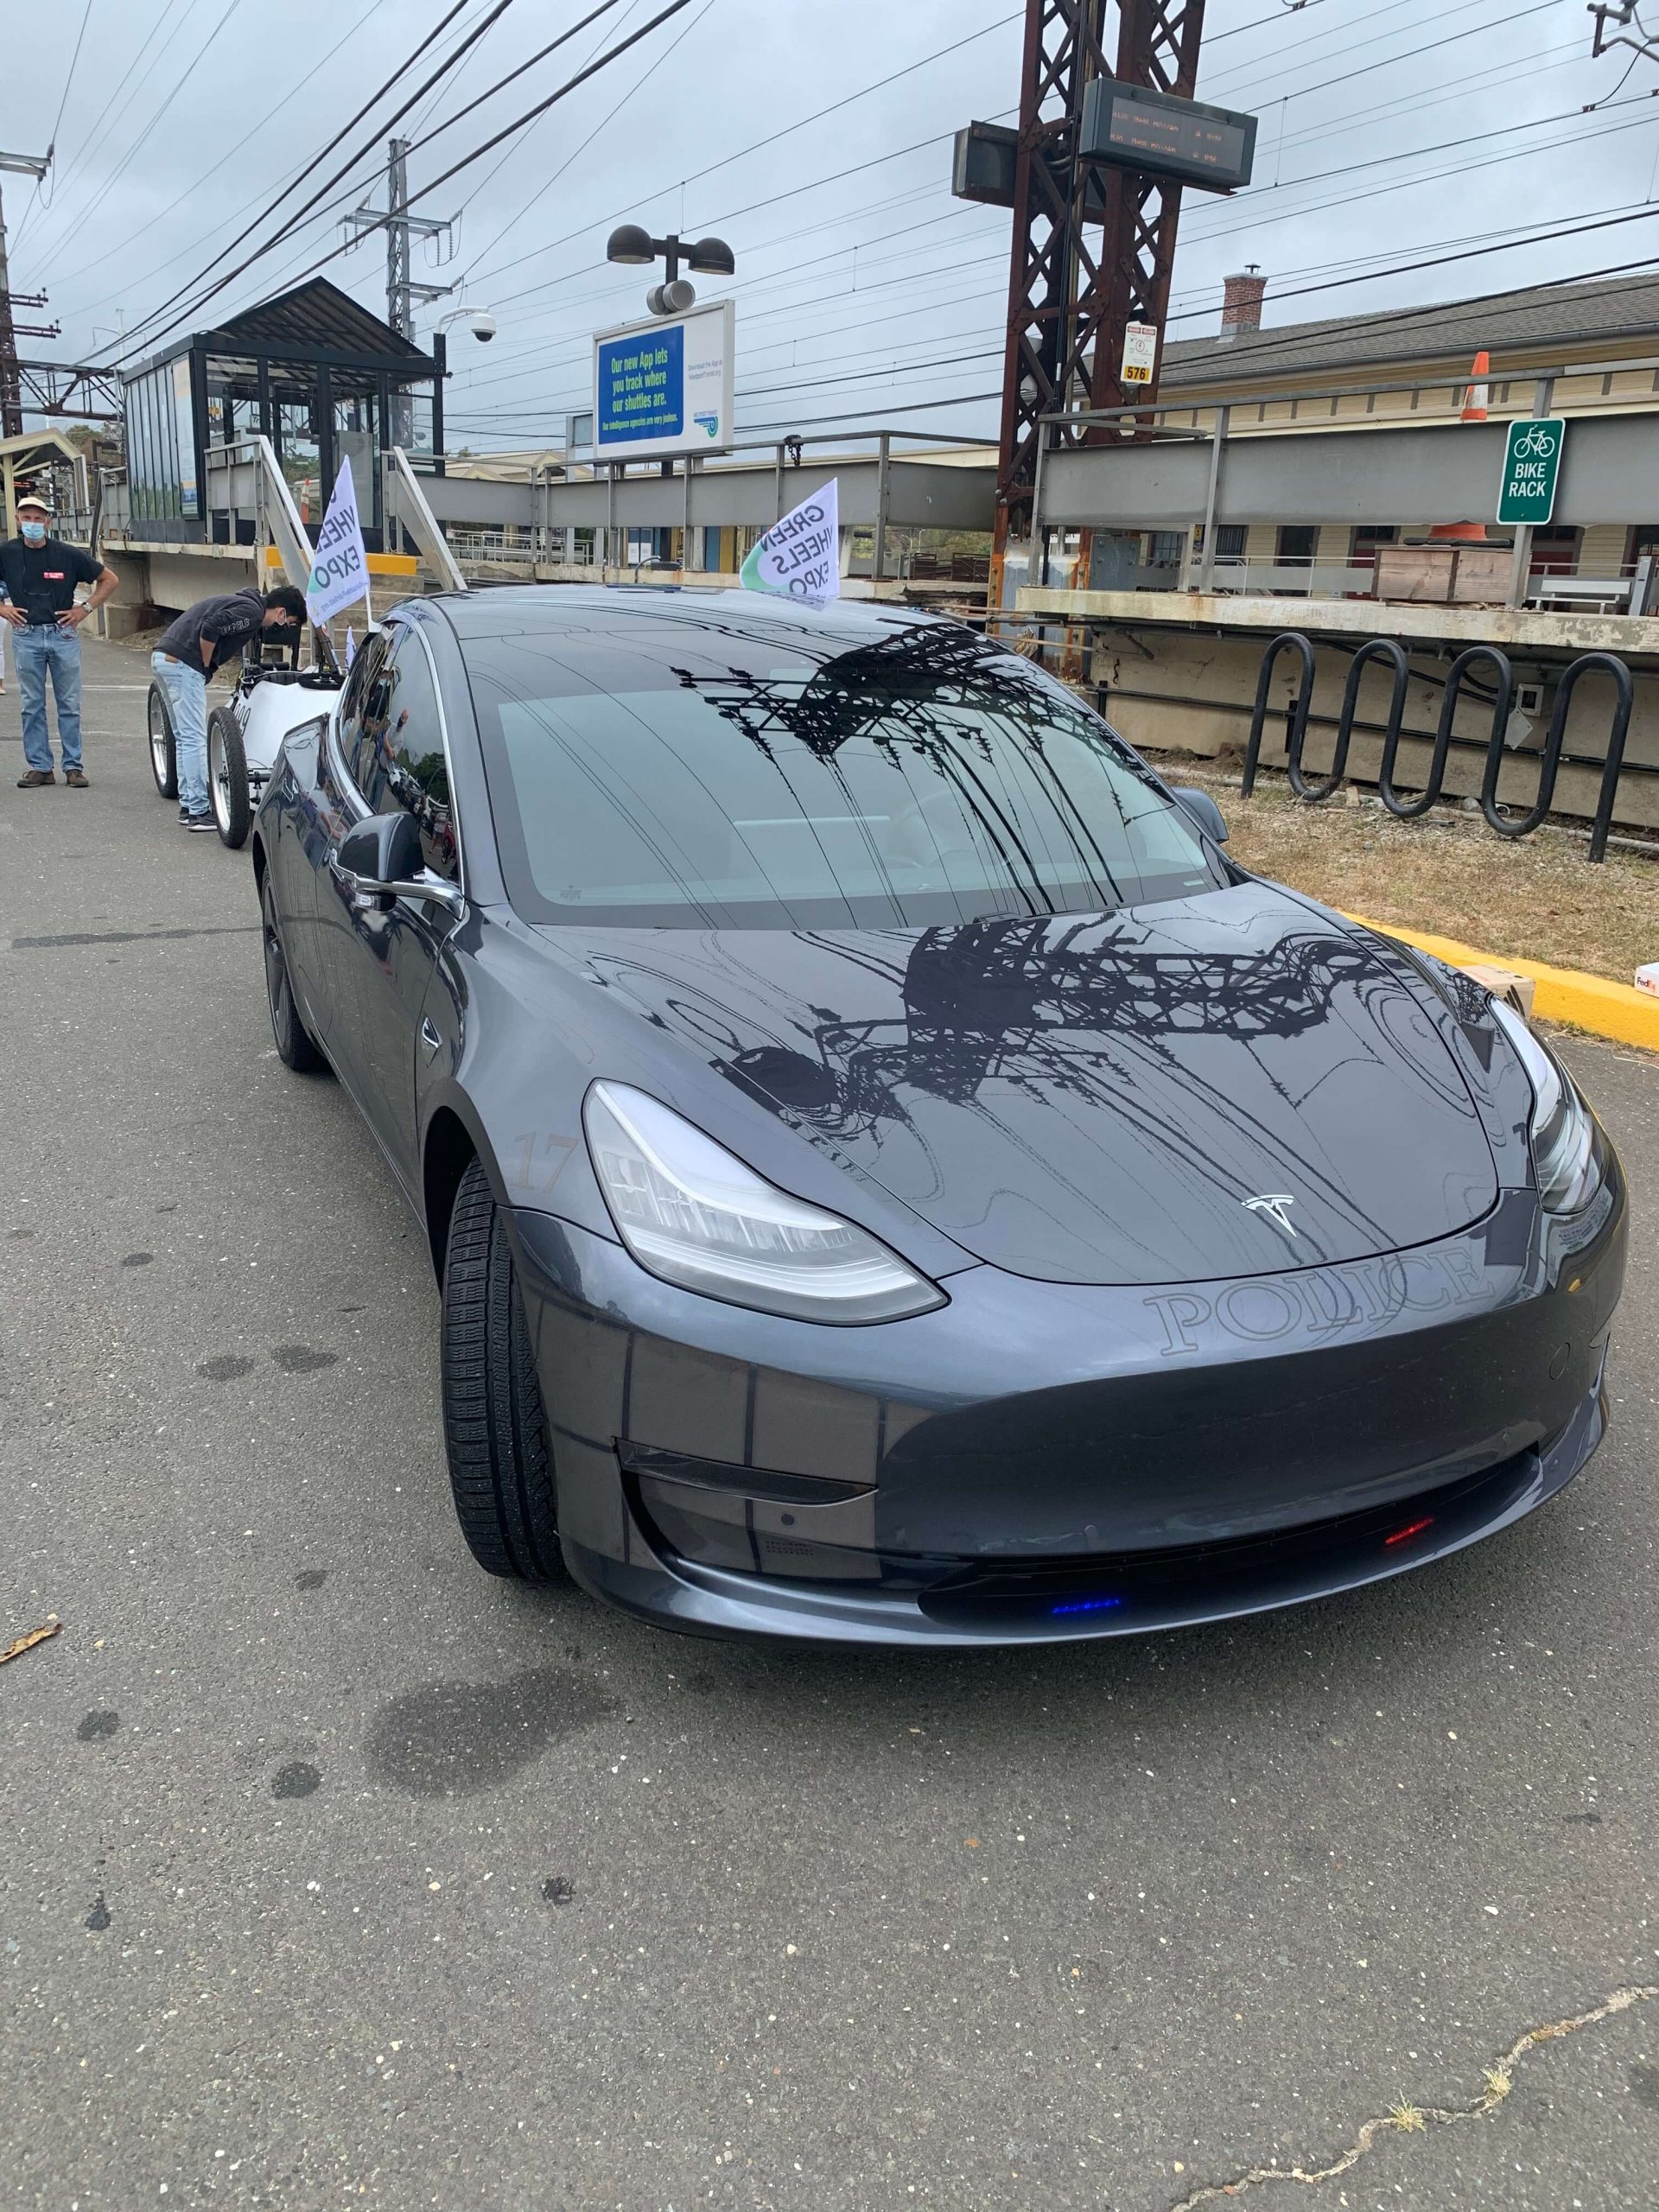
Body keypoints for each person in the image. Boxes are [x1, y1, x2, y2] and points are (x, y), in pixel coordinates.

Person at [150, 583, 308, 830]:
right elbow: (211, 627)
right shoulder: (251, 612)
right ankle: (199, 812)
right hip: (184, 663)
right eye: (287, 622)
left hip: (164, 656)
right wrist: (205, 664)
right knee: (193, 737)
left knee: (183, 737)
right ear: (280, 612)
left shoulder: (244, 603)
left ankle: (189, 805)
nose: (283, 628)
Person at [0, 493, 120, 789]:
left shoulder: (67, 554)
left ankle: (73, 767)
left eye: (38, 519)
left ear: (48, 522)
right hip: (26, 634)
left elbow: (110, 579)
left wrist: (85, 609)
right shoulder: (7, 553)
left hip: (62, 633)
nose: (32, 524)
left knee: (69, 703)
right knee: (32, 704)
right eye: (26, 518)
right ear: (17, 520)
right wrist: (2, 608)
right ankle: (40, 767)